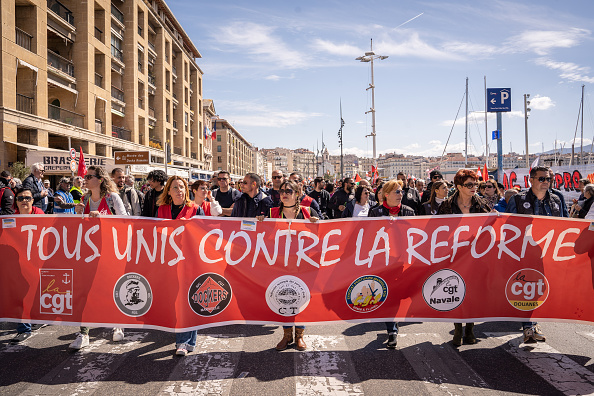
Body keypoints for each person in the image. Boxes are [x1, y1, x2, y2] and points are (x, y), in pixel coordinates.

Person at [506, 166, 565, 343]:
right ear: (531, 180)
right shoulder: (517, 199)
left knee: (541, 289)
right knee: (528, 289)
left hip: (548, 253)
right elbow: (509, 227)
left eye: (548, 179)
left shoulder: (556, 199)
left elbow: (564, 224)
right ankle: (529, 326)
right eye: (542, 179)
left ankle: (532, 323)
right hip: (525, 253)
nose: (546, 182)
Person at [70, 166, 127, 350]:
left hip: (110, 250)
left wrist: (102, 217)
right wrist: (79, 213)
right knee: (85, 290)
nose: (84, 179)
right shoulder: (85, 198)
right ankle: (84, 333)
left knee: (112, 287)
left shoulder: (112, 198)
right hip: (88, 252)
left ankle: (118, 324)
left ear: (100, 179)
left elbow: (125, 220)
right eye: (85, 176)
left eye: (89, 176)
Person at [437, 169, 491, 346]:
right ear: (459, 186)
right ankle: (458, 327)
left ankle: (470, 328)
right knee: (456, 290)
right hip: (454, 256)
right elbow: (436, 229)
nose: (474, 187)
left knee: (473, 293)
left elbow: (492, 227)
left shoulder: (483, 204)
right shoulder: (446, 206)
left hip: (477, 256)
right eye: (469, 184)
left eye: (476, 184)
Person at [265, 180, 319, 351]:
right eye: (282, 191)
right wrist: (260, 222)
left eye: (289, 191)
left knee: (301, 298)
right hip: (281, 264)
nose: (284, 194)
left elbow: (324, 234)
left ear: (297, 194)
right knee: (283, 297)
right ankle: (287, 335)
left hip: (303, 264)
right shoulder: (272, 212)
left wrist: (316, 223)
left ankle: (299, 336)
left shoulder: (308, 211)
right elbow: (263, 238)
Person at [156, 176, 204, 356]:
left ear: (187, 190)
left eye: (181, 187)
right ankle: (190, 340)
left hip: (190, 263)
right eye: (174, 187)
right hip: (168, 262)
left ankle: (182, 342)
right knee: (179, 302)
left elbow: (205, 236)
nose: (178, 190)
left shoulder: (195, 210)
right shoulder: (161, 210)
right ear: (168, 191)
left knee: (185, 301)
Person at [368, 180, 414, 348]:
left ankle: (394, 322)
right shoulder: (375, 212)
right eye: (396, 191)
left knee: (401, 295)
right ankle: (392, 330)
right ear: (386, 195)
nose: (400, 194)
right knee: (389, 295)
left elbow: (416, 235)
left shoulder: (409, 212)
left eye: (401, 191)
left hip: (404, 261)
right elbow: (369, 236)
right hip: (384, 261)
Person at [10, 187, 47, 343]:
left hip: (38, 261)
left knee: (38, 292)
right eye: (20, 198)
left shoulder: (40, 215)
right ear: (16, 203)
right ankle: (24, 329)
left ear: (33, 200)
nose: (24, 201)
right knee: (21, 293)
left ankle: (38, 319)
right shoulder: (9, 219)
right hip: (18, 264)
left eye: (27, 198)